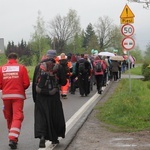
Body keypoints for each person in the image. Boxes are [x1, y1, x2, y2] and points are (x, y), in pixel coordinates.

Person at [32, 50, 67, 148]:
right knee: (54, 116)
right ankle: (54, 138)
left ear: (46, 56)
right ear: (55, 57)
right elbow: (64, 82)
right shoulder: (58, 67)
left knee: (41, 117)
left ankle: (42, 136)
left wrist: (35, 98)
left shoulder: (38, 67)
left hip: (41, 96)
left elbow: (35, 82)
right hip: (53, 95)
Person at [0, 53, 30, 149]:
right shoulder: (21, 68)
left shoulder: (2, 68)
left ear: (8, 59)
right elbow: (26, 83)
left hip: (6, 96)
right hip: (18, 96)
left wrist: (6, 87)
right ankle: (13, 138)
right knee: (17, 116)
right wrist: (20, 88)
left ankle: (12, 136)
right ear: (16, 59)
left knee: (9, 116)